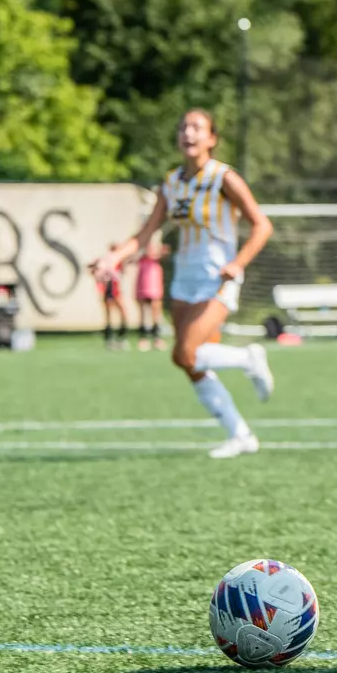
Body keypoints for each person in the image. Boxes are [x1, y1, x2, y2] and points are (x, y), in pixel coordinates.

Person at [91, 109, 276, 459]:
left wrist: (237, 263)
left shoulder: (224, 178)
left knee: (184, 353)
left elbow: (262, 226)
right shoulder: (171, 182)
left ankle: (248, 358)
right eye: (183, 127)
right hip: (184, 279)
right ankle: (240, 434)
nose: (188, 133)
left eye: (197, 127)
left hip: (217, 277)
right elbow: (145, 235)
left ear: (212, 139)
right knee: (190, 363)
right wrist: (111, 259)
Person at [135, 236, 167, 352]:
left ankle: (157, 338)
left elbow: (164, 254)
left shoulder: (156, 260)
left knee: (156, 311)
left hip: (155, 285)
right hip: (143, 285)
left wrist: (162, 251)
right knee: (143, 312)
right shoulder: (141, 257)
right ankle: (143, 338)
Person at [96, 242, 129, 348]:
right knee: (110, 312)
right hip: (109, 287)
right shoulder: (107, 260)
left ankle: (120, 335)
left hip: (115, 288)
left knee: (121, 311)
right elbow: (99, 273)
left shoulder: (118, 260)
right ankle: (110, 336)